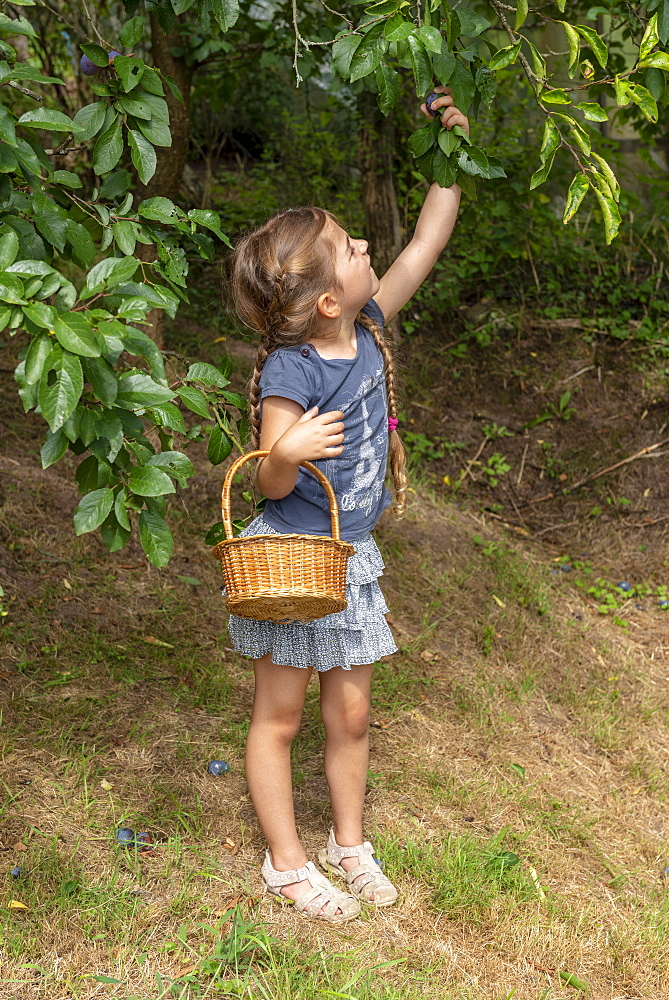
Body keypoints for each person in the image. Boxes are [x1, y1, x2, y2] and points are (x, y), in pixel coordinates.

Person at [226, 87, 469, 923]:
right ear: (325, 298)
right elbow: (270, 482)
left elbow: (425, 239)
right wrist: (282, 454)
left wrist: (451, 149)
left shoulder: (364, 322)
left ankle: (347, 845)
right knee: (281, 714)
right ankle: (286, 864)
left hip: (352, 559)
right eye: (350, 245)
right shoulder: (292, 373)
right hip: (294, 560)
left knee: (353, 710)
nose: (369, 245)